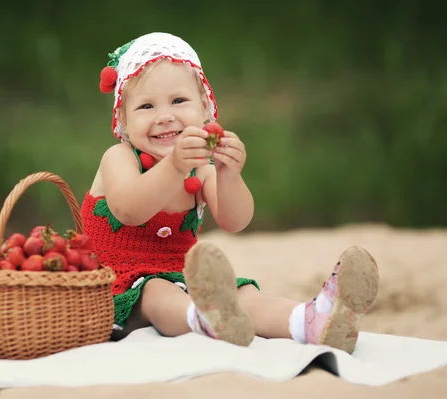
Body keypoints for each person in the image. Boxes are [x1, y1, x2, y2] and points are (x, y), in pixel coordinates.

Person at [79, 32, 379, 354]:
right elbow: (129, 209)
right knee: (154, 291)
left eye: (179, 101)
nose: (164, 116)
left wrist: (229, 175)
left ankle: (309, 321)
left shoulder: (201, 168)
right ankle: (201, 319)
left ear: (205, 106)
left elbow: (235, 221)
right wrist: (175, 167)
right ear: (123, 118)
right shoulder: (120, 158)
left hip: (183, 277)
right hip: (116, 282)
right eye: (146, 106)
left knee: (243, 293)